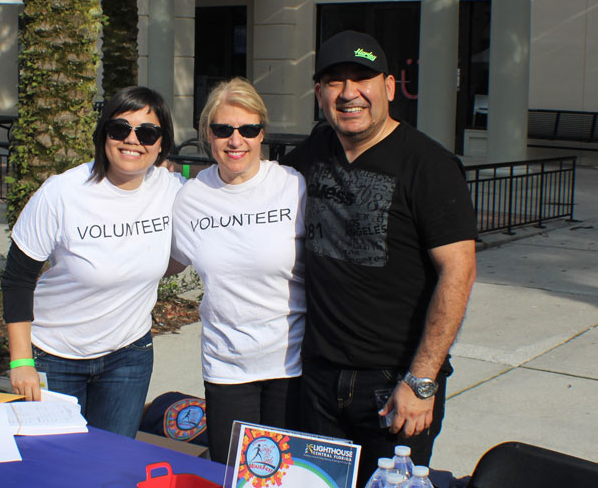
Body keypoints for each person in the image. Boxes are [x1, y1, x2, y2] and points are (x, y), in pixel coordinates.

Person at [282, 30, 477, 484]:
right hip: (317, 381)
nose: (349, 93)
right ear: (319, 94)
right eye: (334, 82)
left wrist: (422, 380)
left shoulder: (429, 166)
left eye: (361, 79)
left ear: (388, 87)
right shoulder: (311, 155)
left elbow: (459, 272)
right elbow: (246, 184)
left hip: (396, 385)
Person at [1, 86, 185, 438]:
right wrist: (21, 361)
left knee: (113, 466)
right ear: (104, 134)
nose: (133, 140)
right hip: (55, 357)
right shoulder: (62, 193)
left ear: (161, 144)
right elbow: (18, 279)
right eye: (120, 129)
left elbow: (222, 189)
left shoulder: (172, 189)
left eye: (147, 133)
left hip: (128, 357)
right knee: (57, 466)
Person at [170, 77, 306, 463]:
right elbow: (167, 261)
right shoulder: (191, 198)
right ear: (207, 135)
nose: (236, 140)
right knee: (232, 474)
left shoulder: (292, 185)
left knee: (285, 478)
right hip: (227, 365)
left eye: (248, 129)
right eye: (223, 130)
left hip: (290, 363)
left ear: (262, 133)